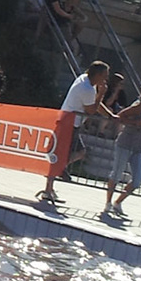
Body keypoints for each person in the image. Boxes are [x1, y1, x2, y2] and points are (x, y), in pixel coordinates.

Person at [42, 60, 110, 202]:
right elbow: (91, 109)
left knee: (78, 152)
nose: (106, 79)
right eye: (104, 75)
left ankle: (57, 173)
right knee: (66, 154)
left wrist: (109, 115)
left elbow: (93, 104)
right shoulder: (87, 88)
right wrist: (102, 93)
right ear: (97, 75)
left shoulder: (84, 79)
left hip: (70, 123)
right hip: (69, 124)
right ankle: (52, 182)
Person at [103, 81, 141, 219]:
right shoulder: (138, 106)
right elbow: (121, 116)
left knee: (138, 180)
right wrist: (136, 123)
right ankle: (108, 202)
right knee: (117, 174)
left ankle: (118, 202)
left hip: (137, 146)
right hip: (125, 143)